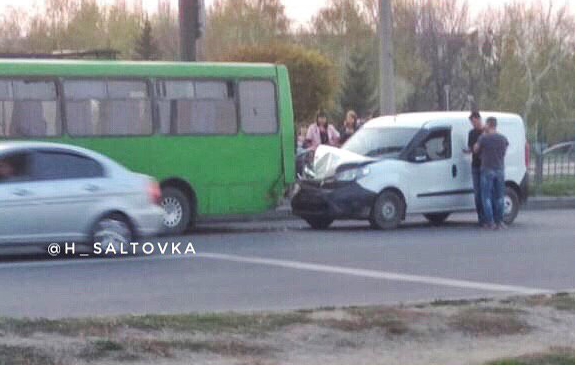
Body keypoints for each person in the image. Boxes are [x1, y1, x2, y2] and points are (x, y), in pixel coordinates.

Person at [474, 117, 509, 229]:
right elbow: (505, 150)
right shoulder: (503, 138)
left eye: (486, 124)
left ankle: (490, 221)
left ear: (488, 124)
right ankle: (499, 221)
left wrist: (482, 134)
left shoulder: (484, 138)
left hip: (487, 168)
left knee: (486, 197)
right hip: (499, 168)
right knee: (499, 196)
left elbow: (475, 149)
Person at [463, 111, 485, 225]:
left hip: (485, 165)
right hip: (475, 164)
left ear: (478, 119)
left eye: (474, 122)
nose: (473, 124)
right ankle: (481, 217)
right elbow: (471, 147)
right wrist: (469, 150)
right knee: (477, 193)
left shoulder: (485, 132)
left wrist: (475, 148)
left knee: (485, 192)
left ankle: (487, 217)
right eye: (471, 122)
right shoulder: (471, 133)